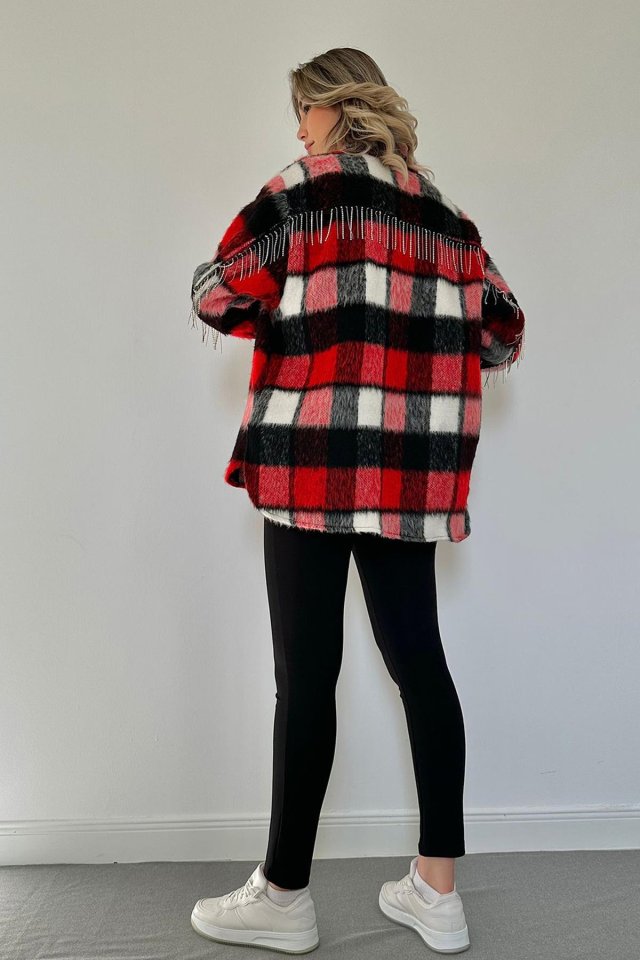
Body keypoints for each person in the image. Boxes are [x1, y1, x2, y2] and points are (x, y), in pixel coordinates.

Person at [189, 47, 525, 956]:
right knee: (422, 667)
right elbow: (502, 332)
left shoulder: (300, 193)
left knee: (306, 677)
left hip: (312, 461)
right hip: (409, 474)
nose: (298, 129)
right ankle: (437, 892)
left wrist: (302, 312)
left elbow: (217, 293)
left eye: (303, 109)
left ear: (336, 106)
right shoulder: (446, 218)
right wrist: (422, 341)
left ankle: (284, 896)